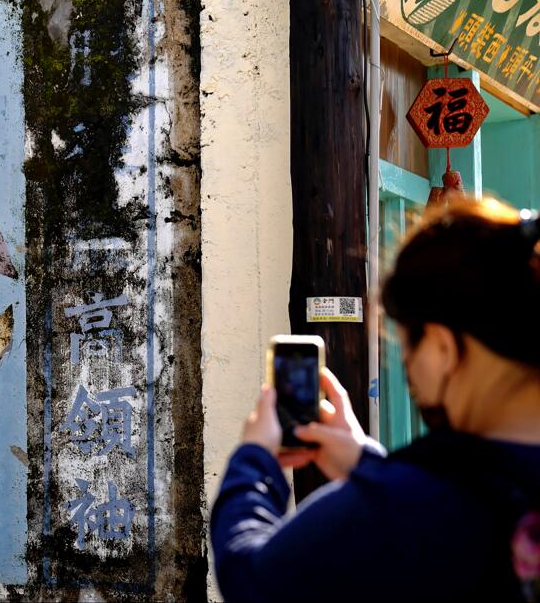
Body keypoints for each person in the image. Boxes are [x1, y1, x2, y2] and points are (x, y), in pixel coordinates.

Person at [211, 198, 540, 602]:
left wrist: (254, 461)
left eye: (406, 346)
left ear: (441, 347)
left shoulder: (403, 508)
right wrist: (368, 465)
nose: (408, 370)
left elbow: (250, 580)